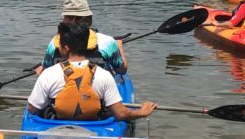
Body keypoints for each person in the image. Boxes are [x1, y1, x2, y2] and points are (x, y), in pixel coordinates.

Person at [27, 21, 156, 121]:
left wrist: (41, 80)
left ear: (66, 48)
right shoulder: (104, 75)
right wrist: (141, 112)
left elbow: (32, 109)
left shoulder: (48, 74)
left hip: (56, 125)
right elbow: (121, 113)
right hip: (95, 125)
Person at [37, 0, 127, 75]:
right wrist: (119, 47)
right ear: (88, 20)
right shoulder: (107, 42)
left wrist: (42, 70)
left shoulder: (54, 43)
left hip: (65, 91)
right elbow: (122, 70)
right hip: (95, 92)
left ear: (65, 20)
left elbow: (46, 69)